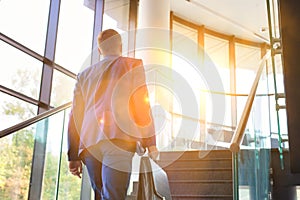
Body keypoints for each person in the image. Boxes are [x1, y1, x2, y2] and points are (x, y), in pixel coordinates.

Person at [67, 29, 158, 200]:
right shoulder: (133, 66)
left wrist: (73, 154)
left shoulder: (84, 75)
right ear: (120, 46)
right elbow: (141, 103)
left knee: (101, 196)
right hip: (119, 138)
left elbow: (75, 116)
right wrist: (150, 141)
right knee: (114, 196)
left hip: (89, 143)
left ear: (100, 50)